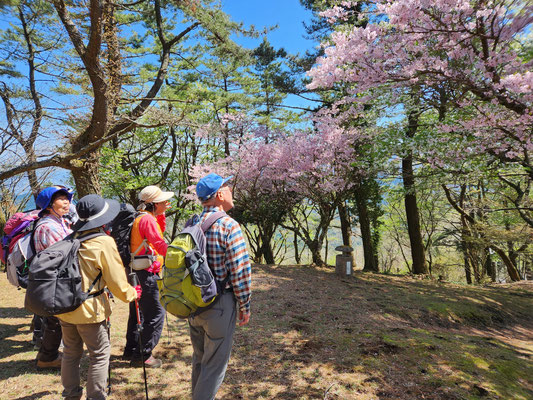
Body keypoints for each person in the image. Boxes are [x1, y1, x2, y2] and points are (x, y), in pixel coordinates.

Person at [58, 194, 140, 400]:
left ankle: (70, 396)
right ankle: (96, 397)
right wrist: (131, 294)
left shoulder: (70, 236)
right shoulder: (103, 241)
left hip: (65, 306)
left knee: (70, 353)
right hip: (89, 310)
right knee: (99, 354)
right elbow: (117, 281)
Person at [189, 173, 252, 400]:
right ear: (219, 195)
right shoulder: (229, 226)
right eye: (228, 187)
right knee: (214, 366)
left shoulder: (193, 223)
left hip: (194, 304)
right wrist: (245, 305)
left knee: (200, 359)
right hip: (220, 304)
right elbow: (240, 270)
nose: (231, 191)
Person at [123, 185, 174, 368]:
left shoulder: (141, 217)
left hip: (135, 271)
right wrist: (179, 256)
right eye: (163, 201)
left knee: (137, 311)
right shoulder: (147, 220)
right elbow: (159, 244)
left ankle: (130, 348)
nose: (167, 203)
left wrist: (160, 214)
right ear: (154, 204)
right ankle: (142, 355)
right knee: (156, 313)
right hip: (145, 273)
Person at [32, 186, 75, 368]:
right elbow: (61, 255)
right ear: (49, 205)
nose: (66, 201)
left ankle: (47, 357)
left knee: (55, 320)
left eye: (67, 198)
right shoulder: (48, 226)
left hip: (58, 278)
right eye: (60, 198)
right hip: (55, 279)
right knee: (56, 320)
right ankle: (48, 358)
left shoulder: (59, 221)